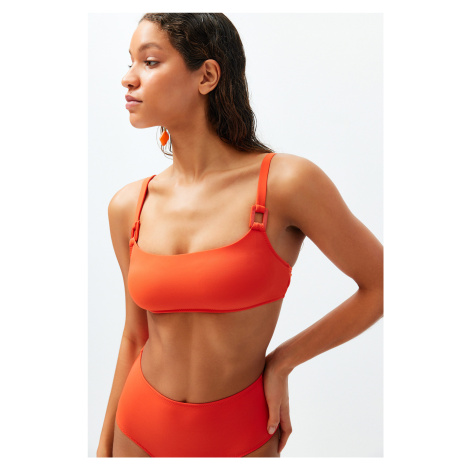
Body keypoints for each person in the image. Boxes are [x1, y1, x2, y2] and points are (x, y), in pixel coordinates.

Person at [96, 13, 383, 458]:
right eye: (130, 61)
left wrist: (284, 360)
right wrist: (102, 450)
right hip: (136, 429)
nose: (128, 78)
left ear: (207, 76)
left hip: (241, 434)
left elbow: (382, 285)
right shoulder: (128, 206)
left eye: (149, 62)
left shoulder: (286, 184)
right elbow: (135, 336)